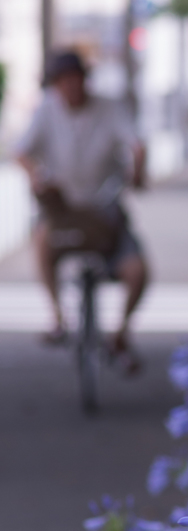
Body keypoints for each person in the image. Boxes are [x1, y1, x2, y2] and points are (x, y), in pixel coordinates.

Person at [14, 49, 149, 370]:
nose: (71, 87)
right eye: (64, 81)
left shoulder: (109, 107)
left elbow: (136, 143)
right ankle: (58, 317)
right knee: (43, 241)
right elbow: (22, 151)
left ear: (86, 80)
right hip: (64, 208)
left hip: (104, 206)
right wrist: (35, 176)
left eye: (76, 79)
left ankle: (120, 333)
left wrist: (138, 172)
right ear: (56, 85)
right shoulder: (47, 108)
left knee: (137, 271)